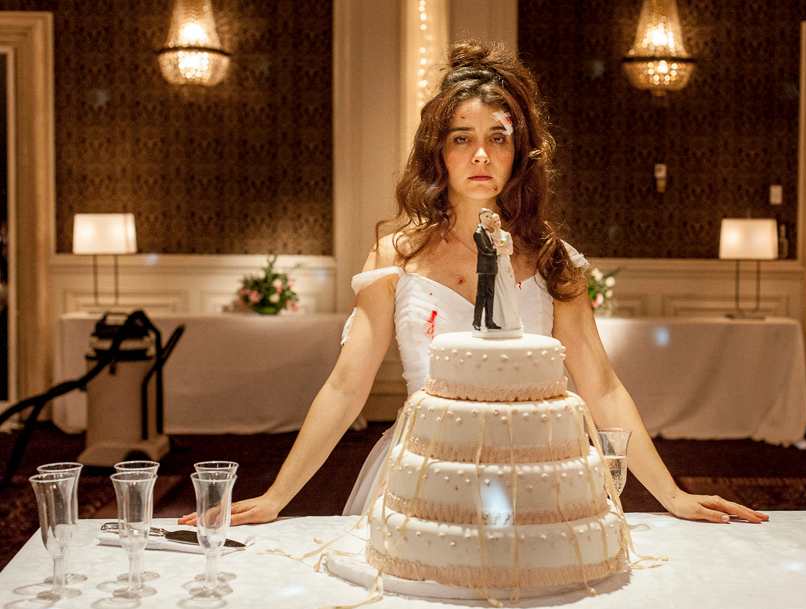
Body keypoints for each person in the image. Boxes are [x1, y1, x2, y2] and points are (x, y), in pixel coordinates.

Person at [179, 41, 767, 528]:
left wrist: (673, 496)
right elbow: (345, 386)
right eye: (461, 137)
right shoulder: (395, 255)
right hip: (426, 468)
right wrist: (277, 495)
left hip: (538, 471)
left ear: (520, 153)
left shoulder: (554, 260)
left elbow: (603, 386)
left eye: (498, 137)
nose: (480, 154)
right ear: (439, 151)